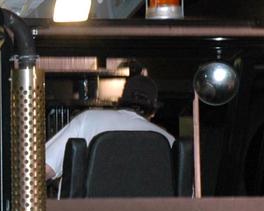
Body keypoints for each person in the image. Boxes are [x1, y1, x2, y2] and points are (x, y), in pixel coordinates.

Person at [44, 74, 175, 181]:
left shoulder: (88, 120)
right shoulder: (169, 141)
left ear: (121, 101)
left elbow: (41, 171)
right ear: (153, 112)